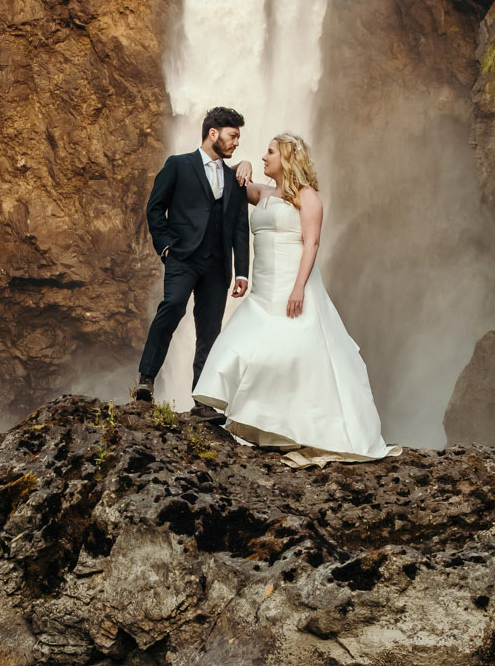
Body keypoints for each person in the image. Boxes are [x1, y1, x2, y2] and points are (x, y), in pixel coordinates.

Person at [191, 132, 388, 460]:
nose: (264, 157)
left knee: (291, 358)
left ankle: (294, 429)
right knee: (236, 344)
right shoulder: (263, 192)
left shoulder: (308, 198)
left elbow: (311, 243)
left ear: (287, 158)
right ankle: (223, 409)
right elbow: (231, 182)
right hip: (262, 291)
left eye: (269, 152)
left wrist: (299, 287)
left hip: (290, 287)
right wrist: (244, 163)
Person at [135, 106, 253, 401]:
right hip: (182, 258)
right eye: (233, 136)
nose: (237, 142)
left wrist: (241, 271)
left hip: (218, 265)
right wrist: (165, 248)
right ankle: (146, 380)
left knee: (210, 330)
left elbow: (240, 227)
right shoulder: (178, 165)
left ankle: (202, 399)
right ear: (213, 133)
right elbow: (154, 209)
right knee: (172, 307)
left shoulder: (235, 177)